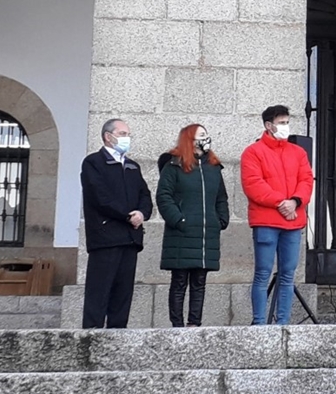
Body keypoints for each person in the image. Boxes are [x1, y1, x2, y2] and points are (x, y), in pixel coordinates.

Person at [240, 105, 315, 325]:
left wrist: (295, 202)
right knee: (262, 273)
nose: (285, 126)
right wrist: (281, 203)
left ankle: (283, 323)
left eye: (286, 121)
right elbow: (253, 184)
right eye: (281, 122)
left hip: (293, 222)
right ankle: (260, 323)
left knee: (287, 275)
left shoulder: (298, 152)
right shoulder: (253, 152)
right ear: (268, 125)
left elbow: (306, 180)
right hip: (266, 222)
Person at [80, 118, 153, 329]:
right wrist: (126, 215)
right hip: (106, 238)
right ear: (108, 136)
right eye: (122, 134)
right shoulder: (93, 163)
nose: (126, 138)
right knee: (99, 291)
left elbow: (144, 194)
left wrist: (141, 213)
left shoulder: (132, 166)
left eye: (127, 134)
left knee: (123, 294)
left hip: (129, 238)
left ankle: (118, 334)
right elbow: (99, 196)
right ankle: (92, 337)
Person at [155, 124, 230, 327]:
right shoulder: (174, 166)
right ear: (190, 140)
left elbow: (221, 197)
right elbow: (164, 196)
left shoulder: (213, 166)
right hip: (182, 232)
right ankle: (177, 325)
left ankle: (194, 324)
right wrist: (178, 220)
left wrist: (221, 219)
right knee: (179, 281)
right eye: (201, 135)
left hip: (206, 233)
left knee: (199, 282)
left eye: (206, 134)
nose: (206, 139)